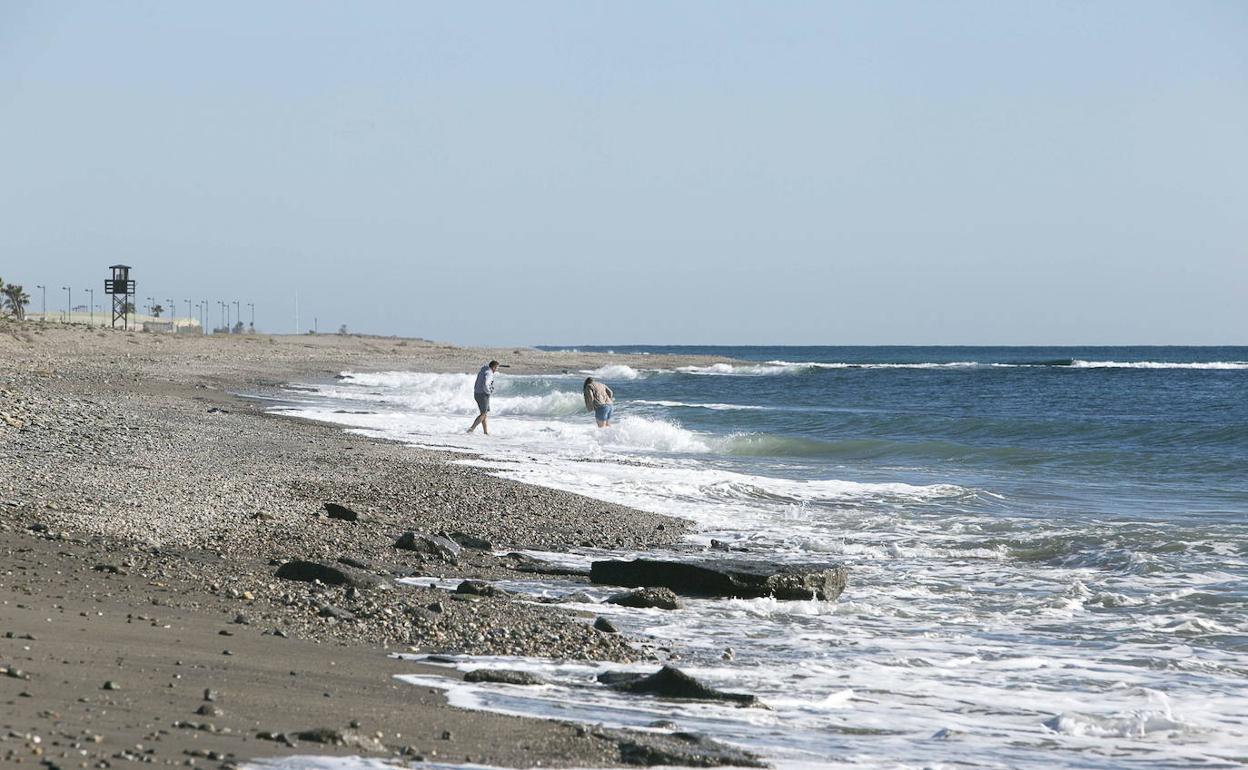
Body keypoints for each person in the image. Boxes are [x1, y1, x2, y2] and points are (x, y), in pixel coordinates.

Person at [467, 360, 499, 434]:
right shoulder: (489, 373)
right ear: (494, 367)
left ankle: (485, 432)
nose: (496, 370)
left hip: (477, 393)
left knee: (484, 413)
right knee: (483, 414)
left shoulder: (483, 370)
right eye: (496, 368)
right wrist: (489, 391)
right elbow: (486, 383)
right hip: (483, 394)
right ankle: (471, 429)